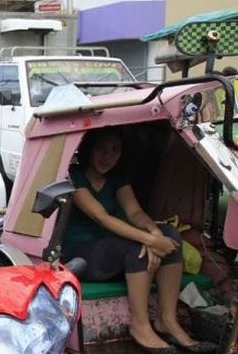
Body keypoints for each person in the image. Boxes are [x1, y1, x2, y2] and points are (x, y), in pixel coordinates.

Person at [63, 127, 216, 354]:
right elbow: (101, 217)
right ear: (89, 149)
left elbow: (135, 212)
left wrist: (154, 234)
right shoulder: (74, 176)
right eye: (101, 149)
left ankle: (167, 320)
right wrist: (149, 241)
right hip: (81, 255)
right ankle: (140, 326)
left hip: (112, 250)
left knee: (169, 235)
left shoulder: (117, 178)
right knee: (137, 248)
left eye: (115, 150)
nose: (107, 156)